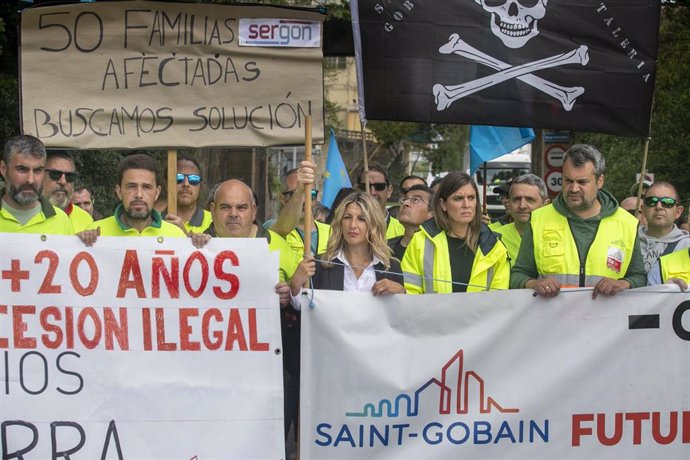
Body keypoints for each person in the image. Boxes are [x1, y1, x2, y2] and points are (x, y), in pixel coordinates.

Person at [190, 179, 299, 450]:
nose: (234, 214)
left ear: (254, 210)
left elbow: (304, 294)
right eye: (226, 207)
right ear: (212, 210)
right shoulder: (191, 245)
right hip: (211, 374)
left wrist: (290, 294)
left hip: (267, 373)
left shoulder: (277, 245)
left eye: (241, 207)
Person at [510, 144, 646, 298]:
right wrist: (535, 284)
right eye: (568, 181)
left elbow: (639, 277)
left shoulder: (627, 223)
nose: (574, 188)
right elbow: (517, 276)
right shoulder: (539, 219)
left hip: (604, 320)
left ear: (600, 181)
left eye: (582, 182)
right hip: (553, 319)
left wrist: (622, 284)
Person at [402, 172, 510, 294]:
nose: (466, 205)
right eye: (458, 198)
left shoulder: (495, 248)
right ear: (443, 204)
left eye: (471, 198)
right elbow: (410, 294)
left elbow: (500, 303)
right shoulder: (420, 242)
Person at [290, 191, 404, 295]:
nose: (353, 225)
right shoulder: (320, 265)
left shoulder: (392, 268)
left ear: (374, 224)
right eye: (347, 217)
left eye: (361, 219)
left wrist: (402, 293)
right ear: (340, 222)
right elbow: (306, 308)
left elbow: (400, 314)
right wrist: (295, 286)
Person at [79, 154, 186, 242]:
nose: (139, 194)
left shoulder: (176, 236)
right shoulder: (95, 233)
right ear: (119, 191)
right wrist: (77, 242)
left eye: (146, 187)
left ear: (157, 193)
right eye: (131, 187)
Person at [0, 134, 72, 234]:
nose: (31, 180)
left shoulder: (61, 220)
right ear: (3, 169)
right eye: (22, 169)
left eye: (38, 170)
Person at [269, 165, 330, 258]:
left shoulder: (331, 232)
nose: (305, 200)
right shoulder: (273, 227)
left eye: (311, 194)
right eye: (296, 193)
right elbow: (283, 228)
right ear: (283, 199)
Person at [494, 174, 549, 263]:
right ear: (509, 203)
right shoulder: (495, 238)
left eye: (530, 200)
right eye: (517, 199)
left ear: (546, 204)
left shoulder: (560, 236)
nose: (522, 205)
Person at [638, 182, 690, 273]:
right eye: (652, 201)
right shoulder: (628, 242)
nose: (659, 207)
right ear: (643, 210)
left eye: (667, 202)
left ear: (678, 212)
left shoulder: (687, 246)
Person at [41, 151, 93, 232]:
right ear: (40, 175)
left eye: (69, 176)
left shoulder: (86, 219)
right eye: (55, 174)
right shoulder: (26, 213)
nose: (63, 181)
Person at [163, 155, 212, 235]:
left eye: (193, 179)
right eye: (178, 178)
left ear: (201, 186)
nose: (186, 184)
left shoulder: (214, 221)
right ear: (166, 185)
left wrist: (182, 233)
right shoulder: (152, 220)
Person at [357, 163, 405, 239]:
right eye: (365, 186)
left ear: (389, 191)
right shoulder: (344, 229)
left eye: (379, 186)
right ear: (357, 189)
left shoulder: (403, 231)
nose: (372, 192)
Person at [388, 184, 434, 260]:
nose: (406, 203)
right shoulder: (386, 247)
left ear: (432, 213)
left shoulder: (435, 249)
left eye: (415, 200)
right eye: (404, 199)